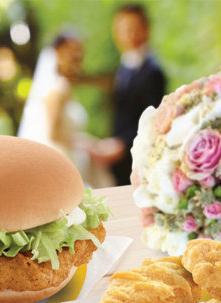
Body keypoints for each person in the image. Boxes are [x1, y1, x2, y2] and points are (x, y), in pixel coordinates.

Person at [18, 32, 114, 187]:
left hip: (67, 159)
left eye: (79, 53)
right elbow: (54, 135)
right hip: (62, 162)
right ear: (57, 53)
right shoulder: (59, 88)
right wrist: (91, 146)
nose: (76, 59)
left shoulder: (60, 87)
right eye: (70, 53)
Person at [88, 4, 166, 186]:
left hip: (137, 155)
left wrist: (122, 144)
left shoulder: (153, 71)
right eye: (121, 29)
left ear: (145, 29)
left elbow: (152, 117)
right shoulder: (123, 67)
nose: (126, 34)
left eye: (132, 28)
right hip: (118, 159)